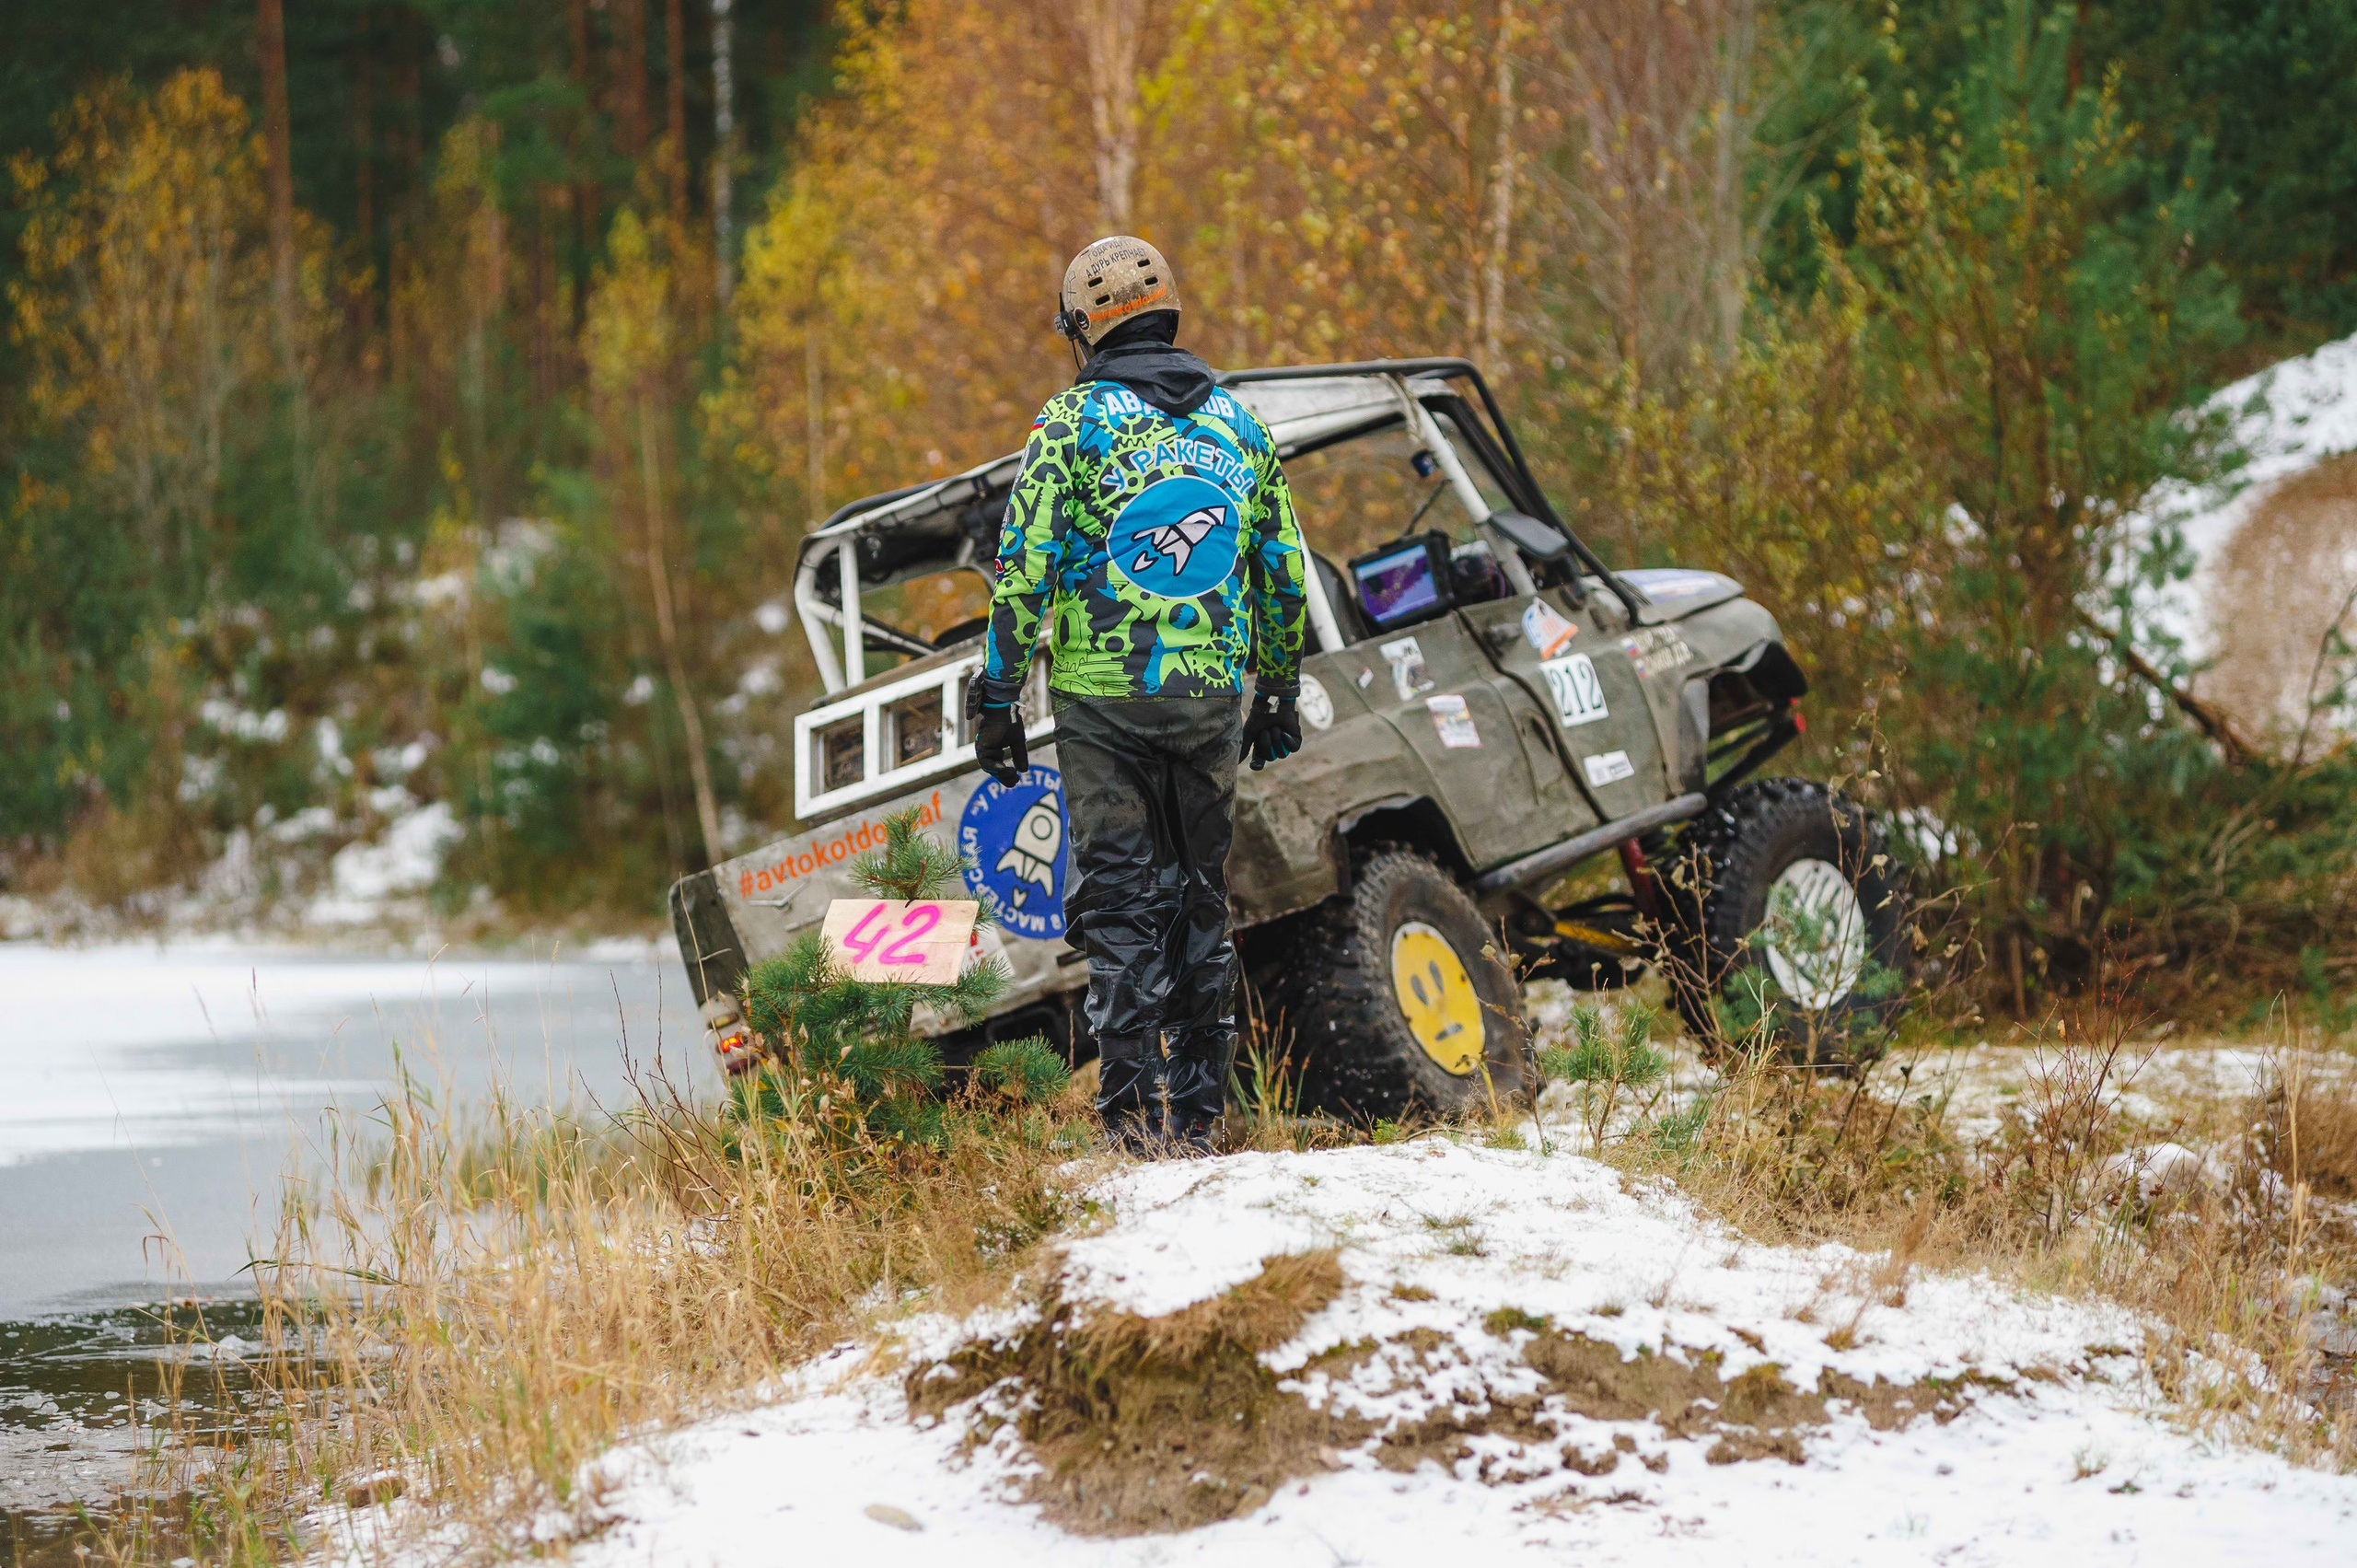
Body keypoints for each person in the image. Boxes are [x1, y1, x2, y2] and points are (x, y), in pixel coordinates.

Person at [970, 235, 1306, 1155]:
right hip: (1206, 703)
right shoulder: (1239, 426)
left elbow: (1022, 571)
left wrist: (996, 700)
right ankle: (1201, 1122)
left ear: (1081, 328)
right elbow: (1282, 572)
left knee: (1120, 907)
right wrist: (1277, 689)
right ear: (1172, 311)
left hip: (1102, 708)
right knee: (1200, 899)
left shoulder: (1069, 424)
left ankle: (1131, 1126)